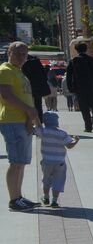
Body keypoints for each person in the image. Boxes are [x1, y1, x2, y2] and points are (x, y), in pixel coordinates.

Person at [2, 42, 42, 211]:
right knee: (16, 162)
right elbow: (6, 96)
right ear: (9, 52)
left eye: (24, 54)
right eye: (18, 53)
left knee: (21, 162)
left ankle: (18, 197)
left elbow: (26, 98)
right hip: (12, 121)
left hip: (22, 121)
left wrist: (32, 118)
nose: (21, 57)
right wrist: (28, 110)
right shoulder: (5, 71)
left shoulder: (19, 72)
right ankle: (14, 200)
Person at [38, 111, 80, 208]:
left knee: (46, 179)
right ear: (56, 122)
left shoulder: (43, 131)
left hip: (46, 162)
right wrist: (76, 141)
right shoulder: (62, 133)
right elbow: (69, 146)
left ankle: (46, 197)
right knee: (58, 180)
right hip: (60, 162)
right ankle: (55, 201)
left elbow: (33, 129)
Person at [65, 42, 93, 133]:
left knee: (84, 108)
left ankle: (88, 127)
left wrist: (71, 88)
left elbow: (69, 77)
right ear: (86, 49)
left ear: (76, 50)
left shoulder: (73, 61)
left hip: (80, 88)